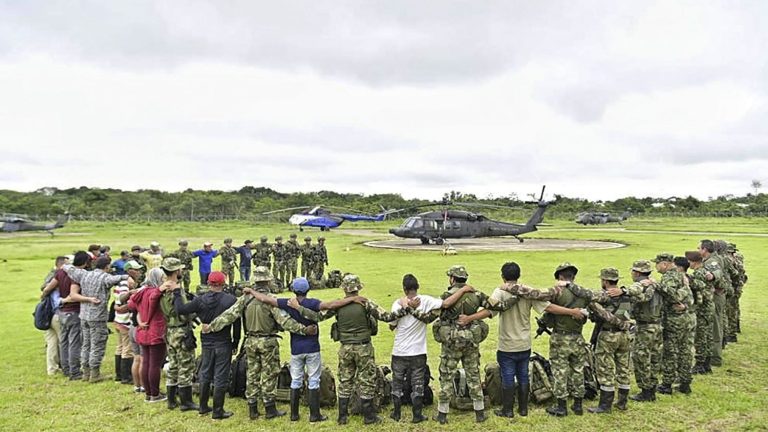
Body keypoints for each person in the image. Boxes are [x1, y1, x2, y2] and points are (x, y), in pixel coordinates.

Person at [457, 262, 585, 418]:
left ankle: (508, 410)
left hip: (507, 344)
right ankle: (523, 409)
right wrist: (572, 311)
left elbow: (489, 311)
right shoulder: (527, 292)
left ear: (503, 276)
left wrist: (469, 318)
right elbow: (549, 308)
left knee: (508, 376)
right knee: (524, 375)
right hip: (524, 343)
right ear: (518, 276)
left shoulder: (500, 291)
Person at [289, 274, 412, 425]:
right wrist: (406, 309)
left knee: (345, 381)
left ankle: (342, 416)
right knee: (367, 381)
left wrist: (298, 308)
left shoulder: (338, 305)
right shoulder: (365, 303)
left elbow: (316, 316)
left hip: (345, 348)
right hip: (363, 347)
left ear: (344, 289)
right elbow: (387, 316)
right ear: (358, 288)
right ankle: (369, 416)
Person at [405, 265, 517, 424]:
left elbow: (428, 318)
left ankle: (442, 415)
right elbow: (500, 306)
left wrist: (412, 310)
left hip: (451, 343)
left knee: (446, 377)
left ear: (452, 278)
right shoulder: (476, 294)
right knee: (473, 375)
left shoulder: (446, 296)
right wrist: (516, 297)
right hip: (471, 341)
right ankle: (479, 413)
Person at [204, 266, 317, 421]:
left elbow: (229, 316)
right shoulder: (271, 299)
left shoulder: (246, 298)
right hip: (268, 341)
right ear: (268, 280)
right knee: (269, 374)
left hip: (250, 341)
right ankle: (270, 409)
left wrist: (211, 327)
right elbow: (285, 321)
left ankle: (253, 409)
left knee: (252, 374)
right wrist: (304, 330)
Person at [247, 277, 359, 423]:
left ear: (293, 290)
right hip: (312, 347)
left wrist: (251, 291)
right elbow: (331, 305)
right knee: (313, 380)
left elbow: (266, 299)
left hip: (296, 348)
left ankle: (294, 415)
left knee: (296, 380)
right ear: (308, 289)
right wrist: (351, 299)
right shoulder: (312, 303)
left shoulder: (287, 302)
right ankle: (314, 415)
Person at [173, 271, 236, 419]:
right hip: (224, 340)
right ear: (223, 283)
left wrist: (177, 293)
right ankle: (218, 410)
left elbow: (181, 310)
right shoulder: (231, 300)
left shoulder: (200, 300)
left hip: (207, 341)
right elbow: (236, 322)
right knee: (221, 375)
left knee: (205, 372)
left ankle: (203, 406)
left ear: (208, 283)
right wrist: (236, 341)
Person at [64, 255, 133, 383]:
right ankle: (94, 374)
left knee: (86, 344)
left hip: (84, 315)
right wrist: (127, 277)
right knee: (97, 345)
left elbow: (67, 268)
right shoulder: (105, 277)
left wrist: (66, 263)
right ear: (107, 267)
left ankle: (86, 373)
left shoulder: (84, 275)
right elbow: (116, 278)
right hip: (98, 316)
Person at [587, 267, 633, 414]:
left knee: (605, 369)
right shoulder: (626, 295)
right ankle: (622, 402)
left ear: (605, 281)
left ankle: (605, 405)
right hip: (625, 335)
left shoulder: (605, 296)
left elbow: (590, 300)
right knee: (623, 369)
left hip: (608, 335)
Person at [41, 252, 93, 380]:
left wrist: (45, 297)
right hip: (74, 311)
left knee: (64, 342)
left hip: (61, 312)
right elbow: (74, 295)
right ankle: (74, 372)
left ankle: (66, 369)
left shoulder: (60, 272)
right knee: (74, 343)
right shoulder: (78, 275)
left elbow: (47, 289)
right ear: (86, 262)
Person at [158, 257, 198, 412]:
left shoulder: (161, 288)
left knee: (173, 364)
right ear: (176, 271)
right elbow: (181, 312)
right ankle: (186, 401)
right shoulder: (176, 290)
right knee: (186, 366)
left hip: (169, 330)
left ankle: (171, 399)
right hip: (180, 329)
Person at [655, 254, 695, 396]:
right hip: (686, 318)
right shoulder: (681, 276)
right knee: (685, 351)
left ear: (664, 264)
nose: (656, 267)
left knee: (670, 352)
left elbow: (672, 295)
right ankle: (685, 382)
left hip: (673, 320)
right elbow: (690, 298)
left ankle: (667, 384)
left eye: (657, 264)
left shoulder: (669, 277)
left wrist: (656, 285)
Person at [127, 268, 167, 403]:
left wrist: (139, 319)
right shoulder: (156, 293)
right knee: (155, 364)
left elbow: (131, 305)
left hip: (142, 331)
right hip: (156, 331)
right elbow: (154, 298)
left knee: (146, 362)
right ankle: (155, 394)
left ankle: (148, 393)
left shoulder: (141, 291)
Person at [627, 260, 663, 402]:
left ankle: (646, 390)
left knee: (641, 358)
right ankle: (652, 387)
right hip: (657, 325)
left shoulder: (641, 287)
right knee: (654, 357)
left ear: (637, 273)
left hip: (645, 326)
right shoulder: (657, 285)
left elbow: (638, 299)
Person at [686, 251, 714, 375]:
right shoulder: (705, 271)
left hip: (702, 309)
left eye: (689, 261)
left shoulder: (698, 274)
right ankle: (707, 362)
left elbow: (700, 292)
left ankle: (700, 364)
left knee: (701, 337)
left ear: (694, 262)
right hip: (708, 307)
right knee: (707, 335)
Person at [39, 256, 67, 376]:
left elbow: (43, 290)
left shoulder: (50, 275)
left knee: (51, 343)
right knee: (64, 341)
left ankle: (52, 369)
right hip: (57, 313)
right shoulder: (59, 276)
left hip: (46, 314)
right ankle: (66, 367)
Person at [699, 240, 725, 367]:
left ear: (704, 249)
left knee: (715, 326)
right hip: (714, 295)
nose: (698, 250)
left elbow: (717, 272)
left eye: (699, 248)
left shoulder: (712, 261)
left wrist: (712, 276)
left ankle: (715, 358)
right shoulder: (709, 260)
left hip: (716, 295)